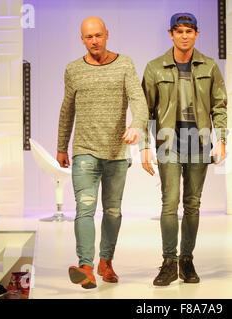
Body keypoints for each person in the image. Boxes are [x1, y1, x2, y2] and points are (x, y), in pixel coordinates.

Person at [57, 17, 148, 289]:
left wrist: (136, 126)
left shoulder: (124, 64)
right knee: (84, 210)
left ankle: (105, 261)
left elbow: (139, 100)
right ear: (82, 39)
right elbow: (67, 109)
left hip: (117, 152)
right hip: (84, 150)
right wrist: (62, 145)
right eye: (88, 37)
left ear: (107, 34)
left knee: (112, 211)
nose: (94, 41)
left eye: (98, 35)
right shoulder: (73, 69)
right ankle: (85, 266)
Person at [141, 13, 227, 286]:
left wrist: (222, 139)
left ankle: (187, 261)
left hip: (199, 142)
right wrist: (145, 146)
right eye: (179, 31)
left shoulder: (210, 66)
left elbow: (219, 106)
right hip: (169, 142)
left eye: (189, 31)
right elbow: (145, 111)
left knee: (192, 204)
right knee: (169, 204)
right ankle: (169, 262)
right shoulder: (155, 68)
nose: (184, 35)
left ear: (196, 34)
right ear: (171, 34)